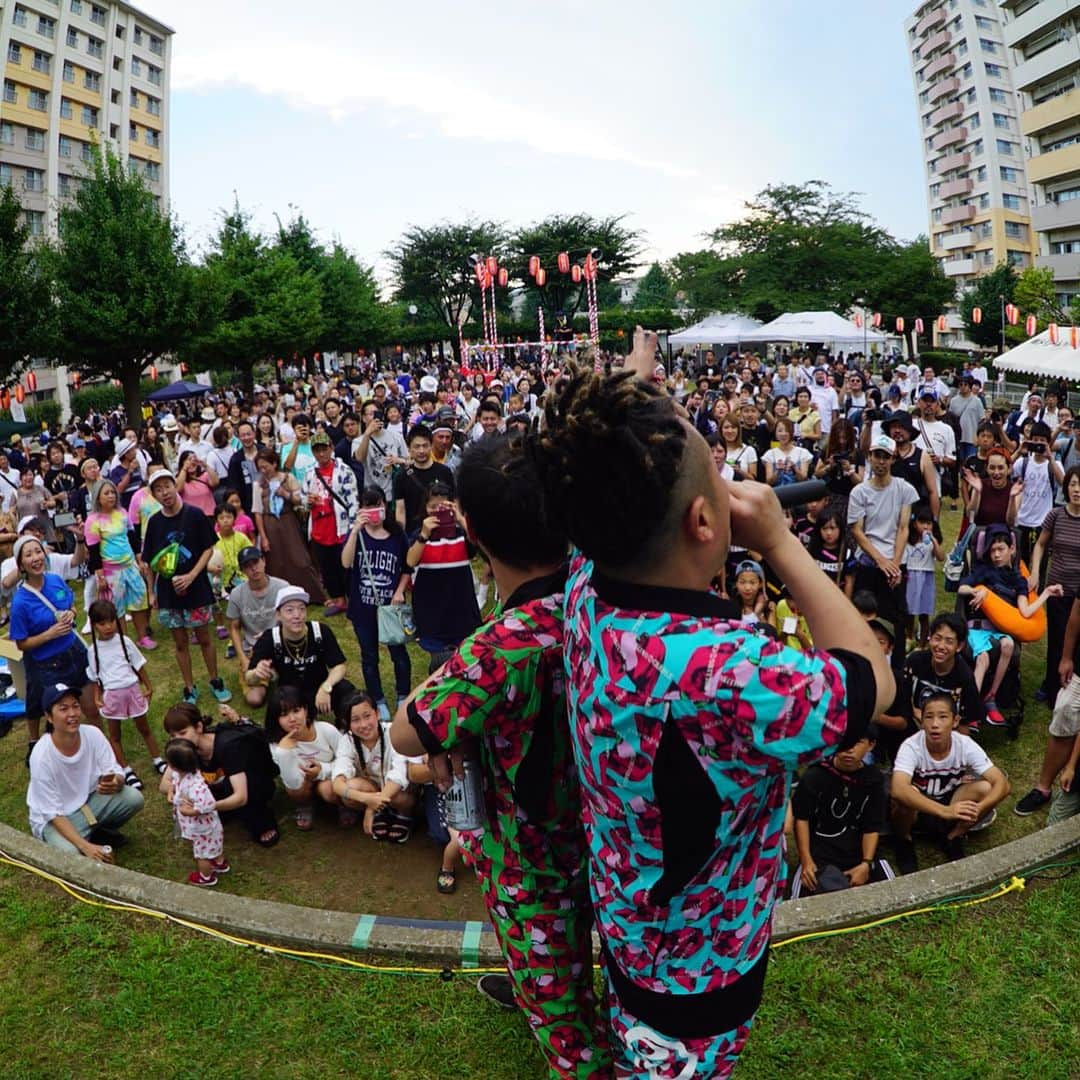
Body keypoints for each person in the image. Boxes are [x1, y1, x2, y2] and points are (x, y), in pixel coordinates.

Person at [528, 329, 892, 1078]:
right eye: (720, 480)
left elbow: (608, 475)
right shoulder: (732, 670)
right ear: (704, 521)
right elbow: (873, 680)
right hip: (704, 971)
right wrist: (781, 545)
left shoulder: (584, 588)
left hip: (629, 925)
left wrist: (635, 383)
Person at [392, 432, 610, 1077]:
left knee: (571, 1036)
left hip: (533, 863)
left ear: (471, 527)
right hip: (621, 847)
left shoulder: (496, 649)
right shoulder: (606, 596)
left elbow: (409, 731)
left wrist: (453, 689)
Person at [890, 692, 1011, 872]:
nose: (935, 724)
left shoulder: (965, 744)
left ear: (955, 721)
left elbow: (1002, 784)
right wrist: (944, 811)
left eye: (943, 717)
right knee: (904, 798)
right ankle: (904, 840)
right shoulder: (911, 746)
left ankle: (954, 836)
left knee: (986, 788)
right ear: (922, 722)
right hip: (919, 807)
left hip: (951, 800)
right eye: (929, 717)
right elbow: (898, 789)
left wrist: (977, 810)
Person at [141, 469, 232, 705]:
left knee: (204, 637)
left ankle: (215, 679)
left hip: (197, 587)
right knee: (180, 641)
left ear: (175, 485)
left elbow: (208, 548)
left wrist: (192, 575)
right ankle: (189, 687)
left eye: (167, 486)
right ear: (154, 495)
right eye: (158, 489)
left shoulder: (195, 515)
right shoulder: (154, 522)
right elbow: (149, 561)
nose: (165, 493)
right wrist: (151, 591)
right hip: (169, 591)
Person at [959, 524, 1061, 725]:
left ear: (1012, 550)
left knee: (1008, 645)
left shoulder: (1018, 581)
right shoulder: (984, 571)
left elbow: (1025, 611)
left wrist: (1046, 594)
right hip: (978, 629)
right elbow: (961, 587)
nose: (996, 555)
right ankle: (970, 709)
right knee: (983, 659)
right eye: (992, 550)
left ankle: (991, 697)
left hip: (999, 631)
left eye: (1001, 550)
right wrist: (977, 591)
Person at [27, 683, 144, 858]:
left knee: (134, 798)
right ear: (49, 717)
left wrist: (116, 782)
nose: (73, 714)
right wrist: (85, 847)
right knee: (71, 853)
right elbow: (52, 813)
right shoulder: (41, 756)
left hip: (89, 802)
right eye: (63, 709)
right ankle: (86, 838)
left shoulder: (93, 734)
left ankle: (99, 831)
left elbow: (115, 770)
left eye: (75, 706)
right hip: (56, 819)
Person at [10, 535, 96, 766]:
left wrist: (71, 614)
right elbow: (21, 643)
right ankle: (39, 744)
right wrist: (49, 634)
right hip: (47, 664)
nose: (35, 558)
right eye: (28, 555)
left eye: (38, 552)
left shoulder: (56, 580)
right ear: (21, 565)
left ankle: (98, 751)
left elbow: (69, 606)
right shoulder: (20, 602)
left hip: (74, 652)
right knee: (51, 711)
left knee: (91, 707)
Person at [162, 703, 280, 847]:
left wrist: (205, 806)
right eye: (172, 736)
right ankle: (227, 810)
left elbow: (241, 796)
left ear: (199, 727)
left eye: (182, 733)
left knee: (242, 797)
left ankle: (263, 820)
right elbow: (164, 783)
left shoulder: (227, 746)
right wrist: (176, 792)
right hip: (218, 789)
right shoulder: (185, 750)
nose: (177, 739)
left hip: (253, 786)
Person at [342, 487, 411, 722]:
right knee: (369, 656)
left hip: (390, 608)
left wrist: (400, 591)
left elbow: (407, 567)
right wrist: (354, 531)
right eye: (367, 506)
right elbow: (346, 562)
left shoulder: (397, 534)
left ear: (385, 504)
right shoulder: (358, 535)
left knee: (399, 653)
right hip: (363, 609)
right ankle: (378, 700)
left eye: (376, 504)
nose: (373, 511)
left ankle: (403, 695)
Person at [792, 726, 886, 896]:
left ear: (871, 745)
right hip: (820, 852)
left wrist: (866, 862)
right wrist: (806, 860)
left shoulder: (875, 780)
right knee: (804, 904)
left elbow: (872, 826)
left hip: (858, 851)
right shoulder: (814, 775)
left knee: (890, 897)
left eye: (857, 742)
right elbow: (801, 819)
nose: (849, 749)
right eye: (844, 742)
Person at [405, 481, 481, 672]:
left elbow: (479, 549)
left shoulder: (461, 534)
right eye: (432, 507)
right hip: (432, 613)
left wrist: (461, 520)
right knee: (439, 664)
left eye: (444, 507)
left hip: (461, 611)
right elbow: (410, 561)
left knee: (465, 661)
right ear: (425, 508)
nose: (438, 512)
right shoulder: (420, 534)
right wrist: (423, 534)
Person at [245, 585, 352, 721]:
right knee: (281, 711)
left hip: (319, 686)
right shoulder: (270, 638)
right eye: (289, 610)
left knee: (345, 689)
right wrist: (256, 673)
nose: (297, 615)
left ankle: (344, 724)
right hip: (290, 695)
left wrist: (326, 687)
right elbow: (249, 678)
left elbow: (340, 666)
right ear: (278, 615)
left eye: (301, 609)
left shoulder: (320, 631)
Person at [86, 598, 160, 792]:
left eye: (111, 621)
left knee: (144, 728)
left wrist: (148, 685)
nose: (108, 627)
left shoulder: (125, 641)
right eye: (102, 623)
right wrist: (96, 696)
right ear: (94, 626)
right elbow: (96, 676)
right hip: (112, 695)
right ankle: (126, 770)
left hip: (132, 690)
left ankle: (158, 759)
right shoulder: (92, 651)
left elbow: (138, 664)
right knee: (115, 735)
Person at [847, 434, 919, 631]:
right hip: (869, 562)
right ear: (869, 457)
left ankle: (895, 661)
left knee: (894, 620)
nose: (881, 461)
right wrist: (880, 561)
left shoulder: (904, 489)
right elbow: (857, 531)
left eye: (886, 457)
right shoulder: (859, 492)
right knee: (863, 619)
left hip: (895, 562)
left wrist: (894, 565)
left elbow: (903, 528)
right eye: (877, 456)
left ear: (893, 459)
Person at [1027, 465, 1080, 706]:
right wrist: (1036, 571)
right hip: (1057, 589)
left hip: (1078, 593)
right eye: (1073, 484)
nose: (1077, 490)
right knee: (1057, 639)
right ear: (1066, 487)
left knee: (1076, 641)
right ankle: (1051, 687)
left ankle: (1071, 686)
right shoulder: (1056, 515)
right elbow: (1040, 545)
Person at [84, 478, 155, 651]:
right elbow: (93, 551)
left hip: (130, 565)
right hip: (110, 571)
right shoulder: (93, 520)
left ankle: (142, 636)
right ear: (97, 497)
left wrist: (139, 559)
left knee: (139, 600)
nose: (111, 496)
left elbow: (132, 537)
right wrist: (100, 576)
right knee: (117, 607)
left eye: (113, 493)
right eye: (106, 493)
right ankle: (124, 640)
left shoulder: (122, 513)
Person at [336, 691, 418, 840]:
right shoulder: (346, 741)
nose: (363, 725)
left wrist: (371, 808)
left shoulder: (394, 733)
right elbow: (337, 783)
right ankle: (382, 812)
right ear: (347, 723)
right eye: (355, 720)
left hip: (398, 792)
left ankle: (404, 814)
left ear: (378, 713)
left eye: (367, 716)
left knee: (396, 794)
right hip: (373, 791)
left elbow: (399, 775)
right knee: (350, 789)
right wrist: (367, 800)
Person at [251, 448, 325, 604]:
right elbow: (257, 512)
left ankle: (312, 594)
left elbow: (300, 499)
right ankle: (279, 597)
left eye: (266, 466)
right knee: (276, 561)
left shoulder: (287, 478)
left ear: (274, 463)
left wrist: (285, 494)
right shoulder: (258, 485)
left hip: (288, 520)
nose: (264, 470)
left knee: (299, 558)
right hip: (269, 522)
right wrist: (263, 536)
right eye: (260, 468)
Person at [266, 684, 345, 831]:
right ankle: (305, 806)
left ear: (306, 710)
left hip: (330, 776)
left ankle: (342, 805)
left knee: (328, 790)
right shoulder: (277, 746)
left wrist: (322, 770)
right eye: (284, 714)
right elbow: (293, 783)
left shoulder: (325, 730)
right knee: (293, 791)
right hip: (303, 782)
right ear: (276, 719)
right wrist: (284, 753)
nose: (292, 719)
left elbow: (347, 758)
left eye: (296, 711)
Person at [301, 429, 357, 618]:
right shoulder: (310, 473)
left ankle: (353, 599)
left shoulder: (344, 471)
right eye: (317, 450)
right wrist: (306, 502)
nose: (321, 454)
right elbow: (302, 497)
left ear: (331, 448)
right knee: (327, 566)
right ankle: (338, 599)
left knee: (345, 566)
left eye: (324, 449)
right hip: (319, 527)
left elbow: (353, 501)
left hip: (339, 527)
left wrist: (352, 528)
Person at [160, 736, 230, 886]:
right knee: (215, 844)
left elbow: (208, 804)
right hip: (206, 826)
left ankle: (206, 877)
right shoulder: (181, 774)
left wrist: (190, 812)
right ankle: (220, 862)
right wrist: (171, 791)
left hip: (202, 827)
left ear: (174, 765)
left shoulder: (197, 787)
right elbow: (173, 783)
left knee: (202, 854)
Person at [225, 546, 289, 704]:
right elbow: (234, 627)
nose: (253, 568)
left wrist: (275, 634)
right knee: (254, 699)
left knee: (292, 693)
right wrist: (243, 658)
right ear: (242, 570)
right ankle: (262, 678)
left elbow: (294, 620)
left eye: (256, 562)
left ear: (264, 561)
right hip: (254, 650)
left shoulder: (283, 587)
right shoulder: (237, 594)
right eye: (247, 566)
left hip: (283, 643)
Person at [394, 424, 455, 532]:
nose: (421, 451)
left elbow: (454, 502)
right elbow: (400, 510)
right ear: (409, 449)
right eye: (417, 446)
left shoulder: (444, 471)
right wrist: (401, 537)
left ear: (431, 446)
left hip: (442, 530)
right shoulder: (402, 476)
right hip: (414, 534)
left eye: (425, 446)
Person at [902, 506, 944, 649]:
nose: (926, 526)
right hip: (911, 576)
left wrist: (934, 541)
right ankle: (909, 637)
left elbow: (940, 557)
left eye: (929, 523)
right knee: (909, 610)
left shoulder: (932, 543)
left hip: (926, 577)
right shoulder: (908, 540)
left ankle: (922, 644)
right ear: (915, 523)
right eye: (922, 522)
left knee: (923, 612)